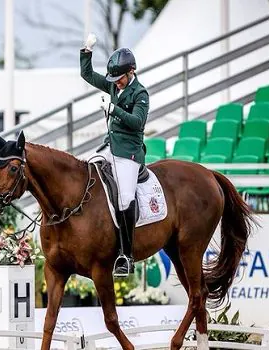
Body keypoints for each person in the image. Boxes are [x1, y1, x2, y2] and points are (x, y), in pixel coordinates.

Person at [80, 33, 150, 277]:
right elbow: (88, 76)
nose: (116, 83)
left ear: (131, 72)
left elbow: (137, 122)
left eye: (119, 78)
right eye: (115, 79)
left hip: (129, 152)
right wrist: (86, 51)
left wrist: (114, 109)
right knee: (86, 173)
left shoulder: (141, 94)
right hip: (110, 146)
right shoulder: (112, 84)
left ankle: (126, 256)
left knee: (125, 198)